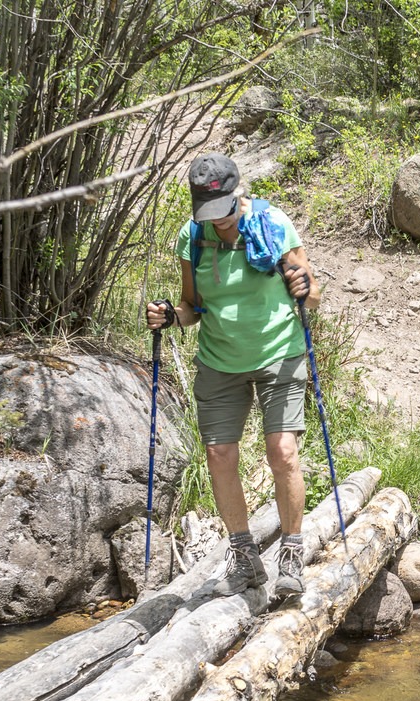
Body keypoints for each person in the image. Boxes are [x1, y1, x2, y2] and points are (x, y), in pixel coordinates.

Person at [145, 153, 322, 598]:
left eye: (222, 209)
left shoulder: (273, 224)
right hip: (219, 360)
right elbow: (193, 307)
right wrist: (170, 316)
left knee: (282, 452)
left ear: (237, 193)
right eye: (206, 212)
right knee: (219, 454)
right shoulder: (192, 237)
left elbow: (313, 295)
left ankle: (291, 554)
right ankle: (244, 559)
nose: (216, 220)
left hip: (279, 353)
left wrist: (304, 289)